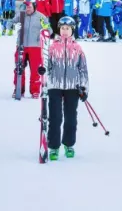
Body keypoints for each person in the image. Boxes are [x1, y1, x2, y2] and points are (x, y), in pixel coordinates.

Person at [39, 15, 89, 161]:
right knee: (55, 117)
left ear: (72, 30)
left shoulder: (77, 48)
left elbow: (83, 69)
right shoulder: (52, 47)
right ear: (59, 29)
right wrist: (41, 70)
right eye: (62, 28)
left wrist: (84, 88)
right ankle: (53, 146)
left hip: (73, 87)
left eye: (68, 29)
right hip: (55, 85)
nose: (65, 31)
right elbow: (46, 66)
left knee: (71, 118)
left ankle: (68, 144)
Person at [15, 0, 48, 98]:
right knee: (18, 68)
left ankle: (35, 90)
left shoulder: (41, 17)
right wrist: (11, 26)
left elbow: (49, 30)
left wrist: (44, 30)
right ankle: (19, 89)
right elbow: (10, 23)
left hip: (35, 46)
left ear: (34, 6)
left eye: (29, 6)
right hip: (21, 45)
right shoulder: (21, 15)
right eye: (25, 6)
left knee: (35, 70)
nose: (27, 9)